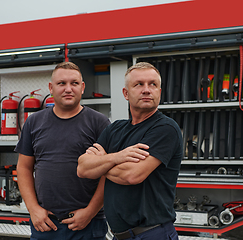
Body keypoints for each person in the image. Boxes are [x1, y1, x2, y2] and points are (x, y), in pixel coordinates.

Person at [77, 62, 182, 240]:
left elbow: (132, 175)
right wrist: (117, 157)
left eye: (153, 84)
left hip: (153, 234)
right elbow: (83, 169)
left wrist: (102, 162)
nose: (147, 90)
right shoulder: (115, 129)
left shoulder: (165, 128)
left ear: (160, 92)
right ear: (126, 93)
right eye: (139, 84)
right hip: (120, 236)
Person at [15, 61, 110, 240]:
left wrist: (90, 212)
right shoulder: (34, 122)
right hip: (45, 225)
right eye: (61, 83)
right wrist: (33, 209)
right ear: (51, 88)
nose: (68, 89)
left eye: (74, 83)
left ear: (82, 87)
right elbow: (24, 168)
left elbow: (108, 173)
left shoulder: (99, 123)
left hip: (88, 226)